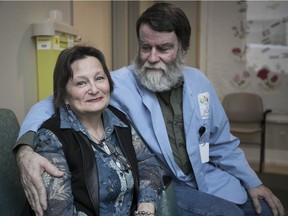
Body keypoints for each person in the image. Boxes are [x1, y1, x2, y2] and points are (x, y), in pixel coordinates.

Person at [14, 2, 285, 216]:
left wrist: (253, 181)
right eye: (146, 47)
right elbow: (52, 102)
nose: (152, 58)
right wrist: (25, 150)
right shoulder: (114, 83)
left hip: (206, 176)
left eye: (164, 48)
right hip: (166, 184)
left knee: (262, 209)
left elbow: (222, 144)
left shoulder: (200, 83)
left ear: (182, 48)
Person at [18, 45, 163, 215]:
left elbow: (148, 164)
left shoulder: (118, 120)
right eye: (81, 83)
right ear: (64, 94)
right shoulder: (50, 139)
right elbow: (59, 211)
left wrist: (146, 206)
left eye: (99, 78)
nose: (94, 90)